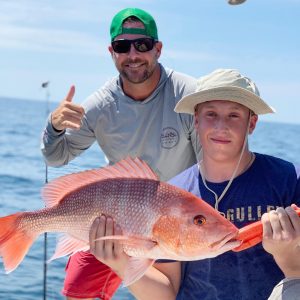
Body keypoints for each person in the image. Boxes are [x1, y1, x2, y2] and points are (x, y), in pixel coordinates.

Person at [88, 68, 300, 300]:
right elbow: (166, 292)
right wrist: (120, 264)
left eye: (234, 115)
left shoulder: (288, 180)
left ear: (252, 123)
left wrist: (291, 262)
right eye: (211, 114)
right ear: (195, 120)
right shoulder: (172, 194)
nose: (221, 126)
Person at [41, 7, 200, 300]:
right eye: (122, 46)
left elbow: (211, 165)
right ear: (111, 52)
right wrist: (54, 127)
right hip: (115, 217)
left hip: (177, 220)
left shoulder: (189, 96)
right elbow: (56, 157)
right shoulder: (99, 105)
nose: (133, 54)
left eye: (142, 44)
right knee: (77, 290)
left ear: (158, 49)